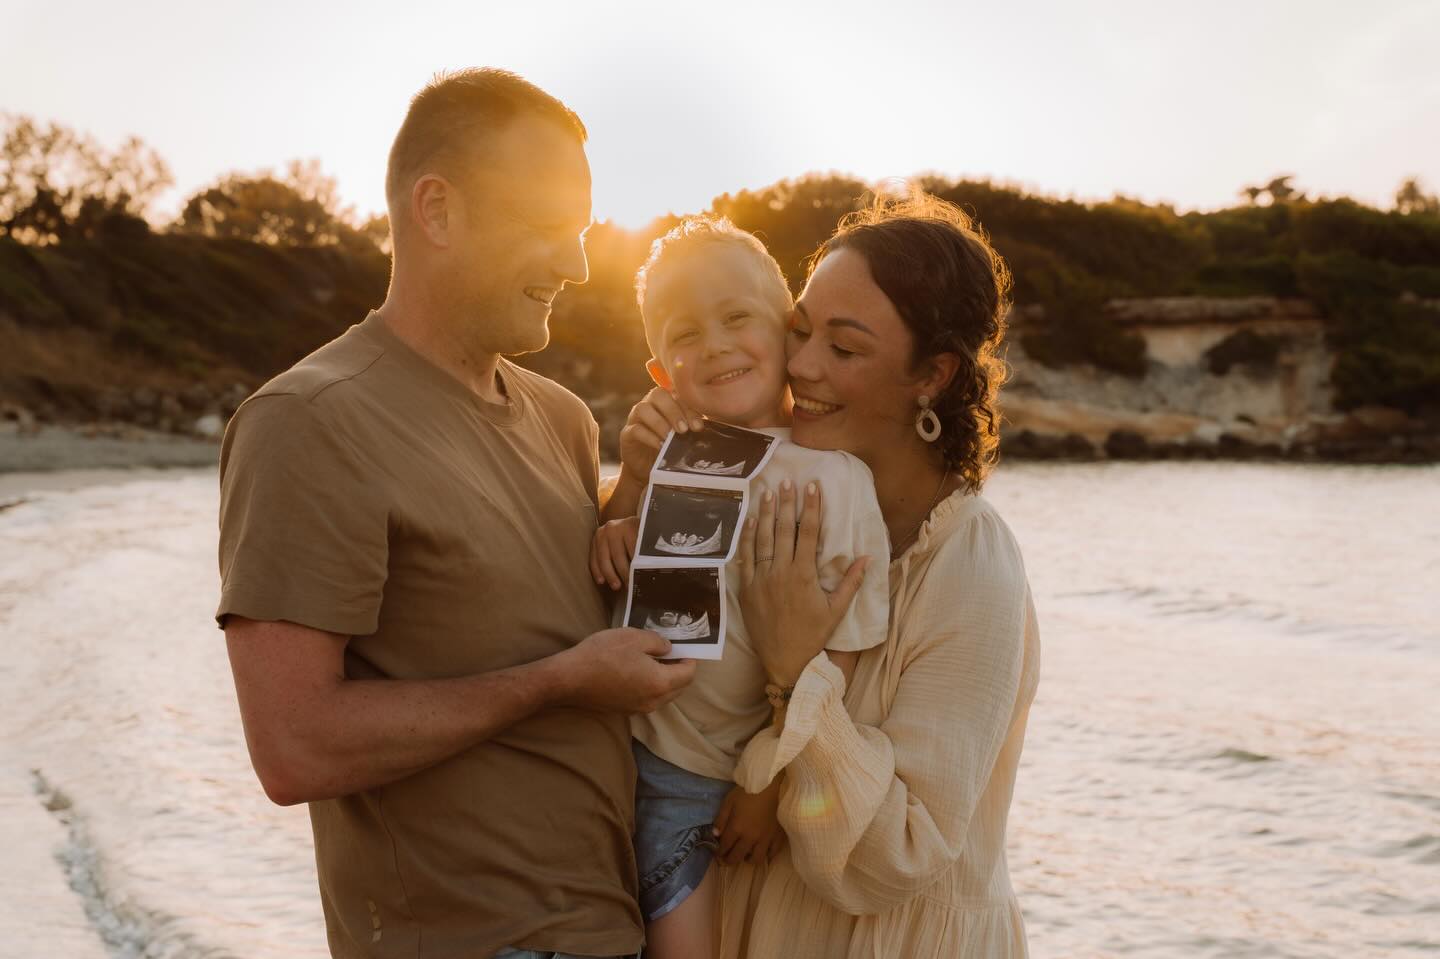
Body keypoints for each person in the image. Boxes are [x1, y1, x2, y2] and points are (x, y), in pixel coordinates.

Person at [215, 68, 694, 959]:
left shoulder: (563, 418)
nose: (578, 265)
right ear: (436, 211)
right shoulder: (311, 421)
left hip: (615, 931)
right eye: (550, 228)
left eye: (584, 232)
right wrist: (557, 682)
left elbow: (575, 625)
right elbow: (293, 747)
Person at [590, 216, 889, 959]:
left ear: (788, 330)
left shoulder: (834, 476)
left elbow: (845, 651)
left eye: (736, 319)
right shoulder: (673, 454)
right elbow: (610, 578)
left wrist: (766, 781)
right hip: (623, 754)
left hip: (724, 775)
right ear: (661, 370)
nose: (716, 344)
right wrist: (618, 519)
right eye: (686, 335)